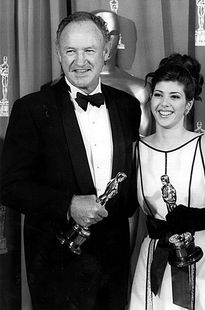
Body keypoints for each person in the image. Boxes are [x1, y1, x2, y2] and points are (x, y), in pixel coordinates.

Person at [0, 11, 141, 310]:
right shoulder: (31, 109)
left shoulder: (128, 106)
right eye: (70, 51)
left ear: (105, 52)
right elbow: (10, 186)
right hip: (56, 264)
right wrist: (68, 204)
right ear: (58, 53)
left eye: (89, 50)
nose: (80, 61)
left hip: (113, 262)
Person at [128, 53, 205, 310]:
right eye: (158, 95)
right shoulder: (136, 149)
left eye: (174, 96)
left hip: (200, 255)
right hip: (156, 255)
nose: (164, 104)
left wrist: (193, 218)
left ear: (188, 105)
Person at [92, 9, 152, 136]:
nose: (106, 40)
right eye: (100, 34)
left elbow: (142, 144)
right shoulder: (67, 85)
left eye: (112, 34)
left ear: (119, 37)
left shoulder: (139, 88)